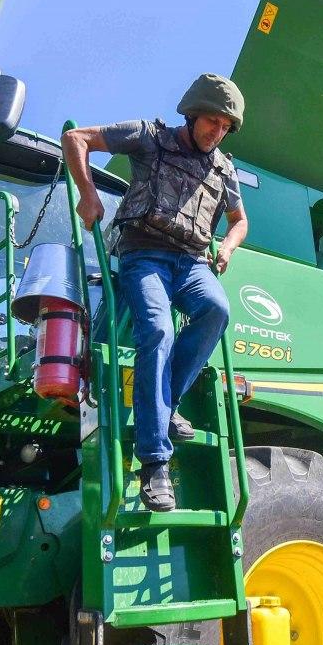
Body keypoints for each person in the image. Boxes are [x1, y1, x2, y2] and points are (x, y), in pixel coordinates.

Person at [62, 74, 248, 512]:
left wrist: (227, 246)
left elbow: (240, 220)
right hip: (144, 254)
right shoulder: (150, 137)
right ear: (192, 112)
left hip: (191, 263)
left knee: (216, 311)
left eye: (225, 127)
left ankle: (168, 404)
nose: (216, 133)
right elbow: (76, 138)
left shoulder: (224, 168)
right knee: (158, 332)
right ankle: (155, 464)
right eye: (212, 122)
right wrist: (88, 193)